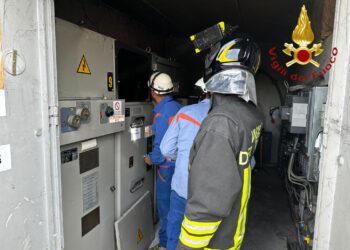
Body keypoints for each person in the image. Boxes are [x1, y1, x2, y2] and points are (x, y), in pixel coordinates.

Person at [177, 34, 264, 250]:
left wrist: (186, 247)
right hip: (232, 233)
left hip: (213, 243)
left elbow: (207, 203)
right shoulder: (250, 114)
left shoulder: (220, 124)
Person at [160, 78, 211, 250]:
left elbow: (165, 149)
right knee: (206, 239)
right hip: (210, 195)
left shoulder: (185, 112)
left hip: (182, 187)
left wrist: (180, 159)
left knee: (175, 233)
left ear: (202, 93)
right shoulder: (231, 119)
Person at [144, 72, 182, 250]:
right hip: (179, 164)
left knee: (165, 207)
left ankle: (166, 244)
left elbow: (160, 150)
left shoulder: (161, 115)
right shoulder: (177, 107)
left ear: (153, 92)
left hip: (166, 167)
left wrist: (149, 159)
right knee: (177, 204)